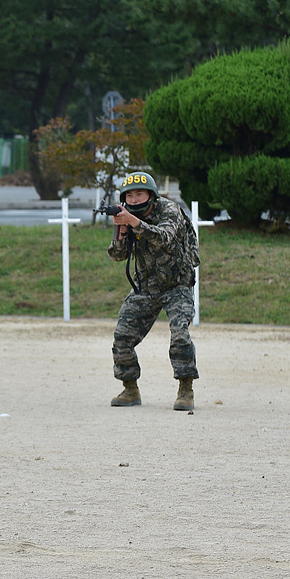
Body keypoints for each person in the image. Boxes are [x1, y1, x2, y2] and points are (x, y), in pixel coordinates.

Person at [107, 171, 200, 411]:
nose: (135, 199)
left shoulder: (169, 210)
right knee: (122, 336)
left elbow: (165, 237)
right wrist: (122, 232)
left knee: (180, 334)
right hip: (146, 285)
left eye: (140, 193)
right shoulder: (126, 218)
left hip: (177, 284)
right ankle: (130, 389)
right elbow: (118, 256)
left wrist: (134, 223)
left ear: (151, 194)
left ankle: (185, 389)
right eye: (130, 195)